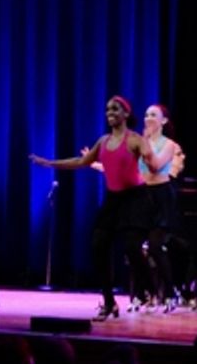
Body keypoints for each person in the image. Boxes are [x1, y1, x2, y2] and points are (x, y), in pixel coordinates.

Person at [29, 95, 163, 321]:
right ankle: (109, 302)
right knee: (98, 245)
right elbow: (81, 161)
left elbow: (155, 166)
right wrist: (50, 163)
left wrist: (149, 154)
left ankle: (149, 290)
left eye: (115, 109)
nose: (110, 113)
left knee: (132, 247)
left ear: (126, 114)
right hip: (113, 200)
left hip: (135, 199)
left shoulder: (135, 140)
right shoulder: (103, 142)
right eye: (108, 109)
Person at [138, 103, 184, 313]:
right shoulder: (140, 142)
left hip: (161, 197)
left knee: (155, 246)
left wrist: (145, 143)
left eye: (153, 115)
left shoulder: (170, 145)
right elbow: (132, 168)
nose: (148, 118)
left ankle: (171, 293)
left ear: (163, 121)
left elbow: (155, 166)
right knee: (134, 246)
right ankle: (148, 293)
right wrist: (100, 166)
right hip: (142, 196)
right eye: (146, 114)